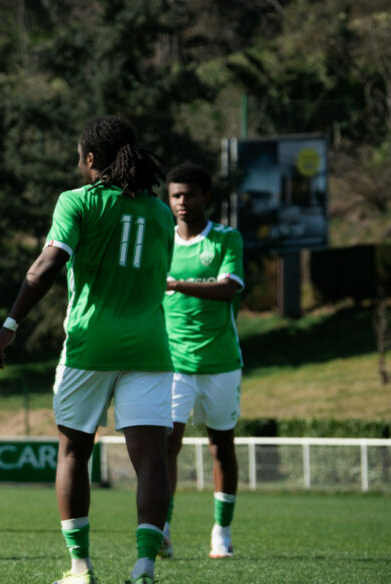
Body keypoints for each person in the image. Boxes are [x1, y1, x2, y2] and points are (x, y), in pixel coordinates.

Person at [0, 115, 172, 584]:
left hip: (90, 346)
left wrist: (9, 324)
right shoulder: (162, 213)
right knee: (150, 458)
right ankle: (145, 565)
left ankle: (80, 567)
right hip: (150, 349)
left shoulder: (78, 202)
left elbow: (49, 263)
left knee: (73, 453)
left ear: (91, 159)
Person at [160, 162, 244, 560]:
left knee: (220, 446)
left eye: (188, 194)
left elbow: (229, 289)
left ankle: (221, 533)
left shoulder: (226, 239)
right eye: (175, 194)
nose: (180, 202)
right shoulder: (161, 239)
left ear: (204, 197)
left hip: (221, 361)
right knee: (167, 445)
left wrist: (177, 285)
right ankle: (163, 529)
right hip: (172, 361)